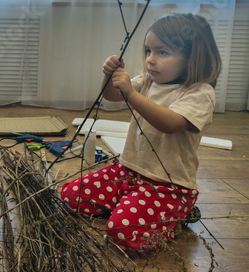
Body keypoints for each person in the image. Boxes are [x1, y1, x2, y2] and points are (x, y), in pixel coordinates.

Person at [60, 13, 222, 252]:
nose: (150, 60)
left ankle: (176, 212)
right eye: (148, 51)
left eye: (162, 52)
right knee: (69, 196)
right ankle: (132, 205)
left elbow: (170, 123)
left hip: (167, 185)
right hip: (127, 171)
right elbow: (113, 96)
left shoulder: (199, 92)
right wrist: (109, 75)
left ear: (192, 57)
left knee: (121, 233)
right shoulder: (147, 80)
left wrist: (132, 94)